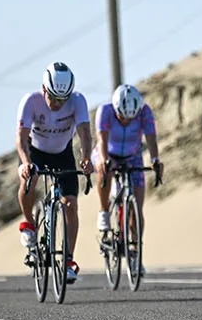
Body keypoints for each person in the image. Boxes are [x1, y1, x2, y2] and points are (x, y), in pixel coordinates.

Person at [15, 62, 94, 284]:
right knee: (29, 179)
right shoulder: (31, 102)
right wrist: (26, 162)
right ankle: (29, 222)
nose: (59, 104)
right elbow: (20, 138)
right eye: (54, 98)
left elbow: (85, 133)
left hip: (62, 153)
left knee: (70, 204)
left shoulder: (77, 101)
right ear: (44, 89)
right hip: (35, 152)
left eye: (63, 99)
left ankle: (68, 260)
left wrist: (86, 157)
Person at [93, 82, 163, 238]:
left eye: (130, 119)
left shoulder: (144, 112)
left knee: (137, 209)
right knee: (105, 170)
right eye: (122, 117)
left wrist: (155, 159)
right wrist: (104, 160)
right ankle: (104, 211)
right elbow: (102, 140)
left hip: (132, 155)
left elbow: (151, 138)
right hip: (108, 152)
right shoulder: (105, 110)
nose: (126, 121)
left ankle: (135, 252)